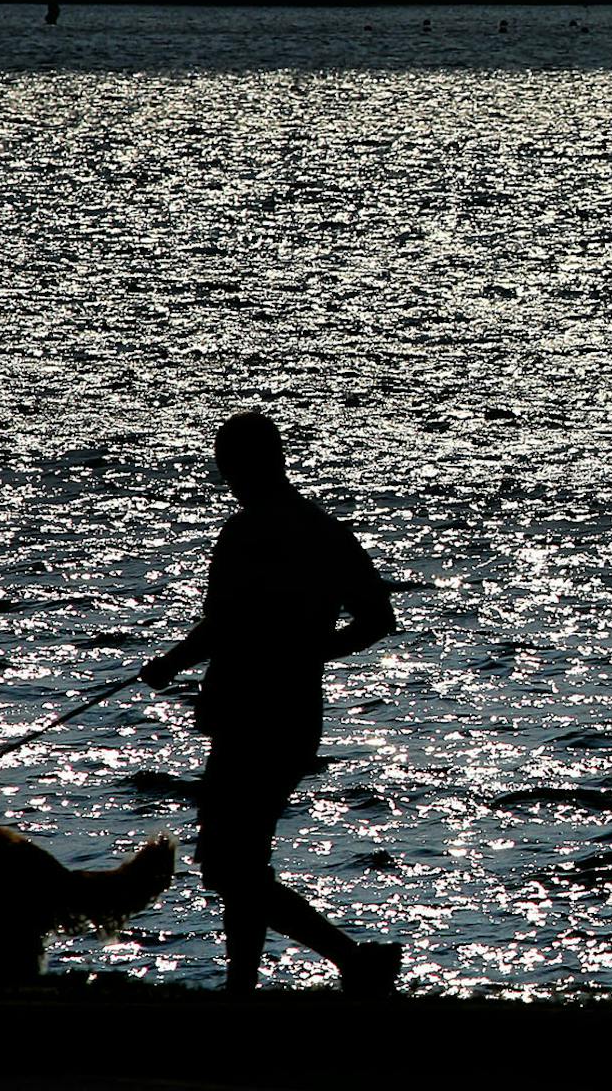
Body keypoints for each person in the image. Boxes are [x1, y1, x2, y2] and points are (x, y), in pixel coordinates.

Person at [141, 411, 403, 994]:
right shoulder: (324, 531)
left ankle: (353, 961)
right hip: (289, 713)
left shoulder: (245, 535)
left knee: (227, 864)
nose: (227, 478)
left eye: (229, 466)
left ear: (247, 467)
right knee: (242, 862)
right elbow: (376, 619)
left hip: (251, 715)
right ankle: (244, 985)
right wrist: (311, 654)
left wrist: (170, 665)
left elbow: (220, 626)